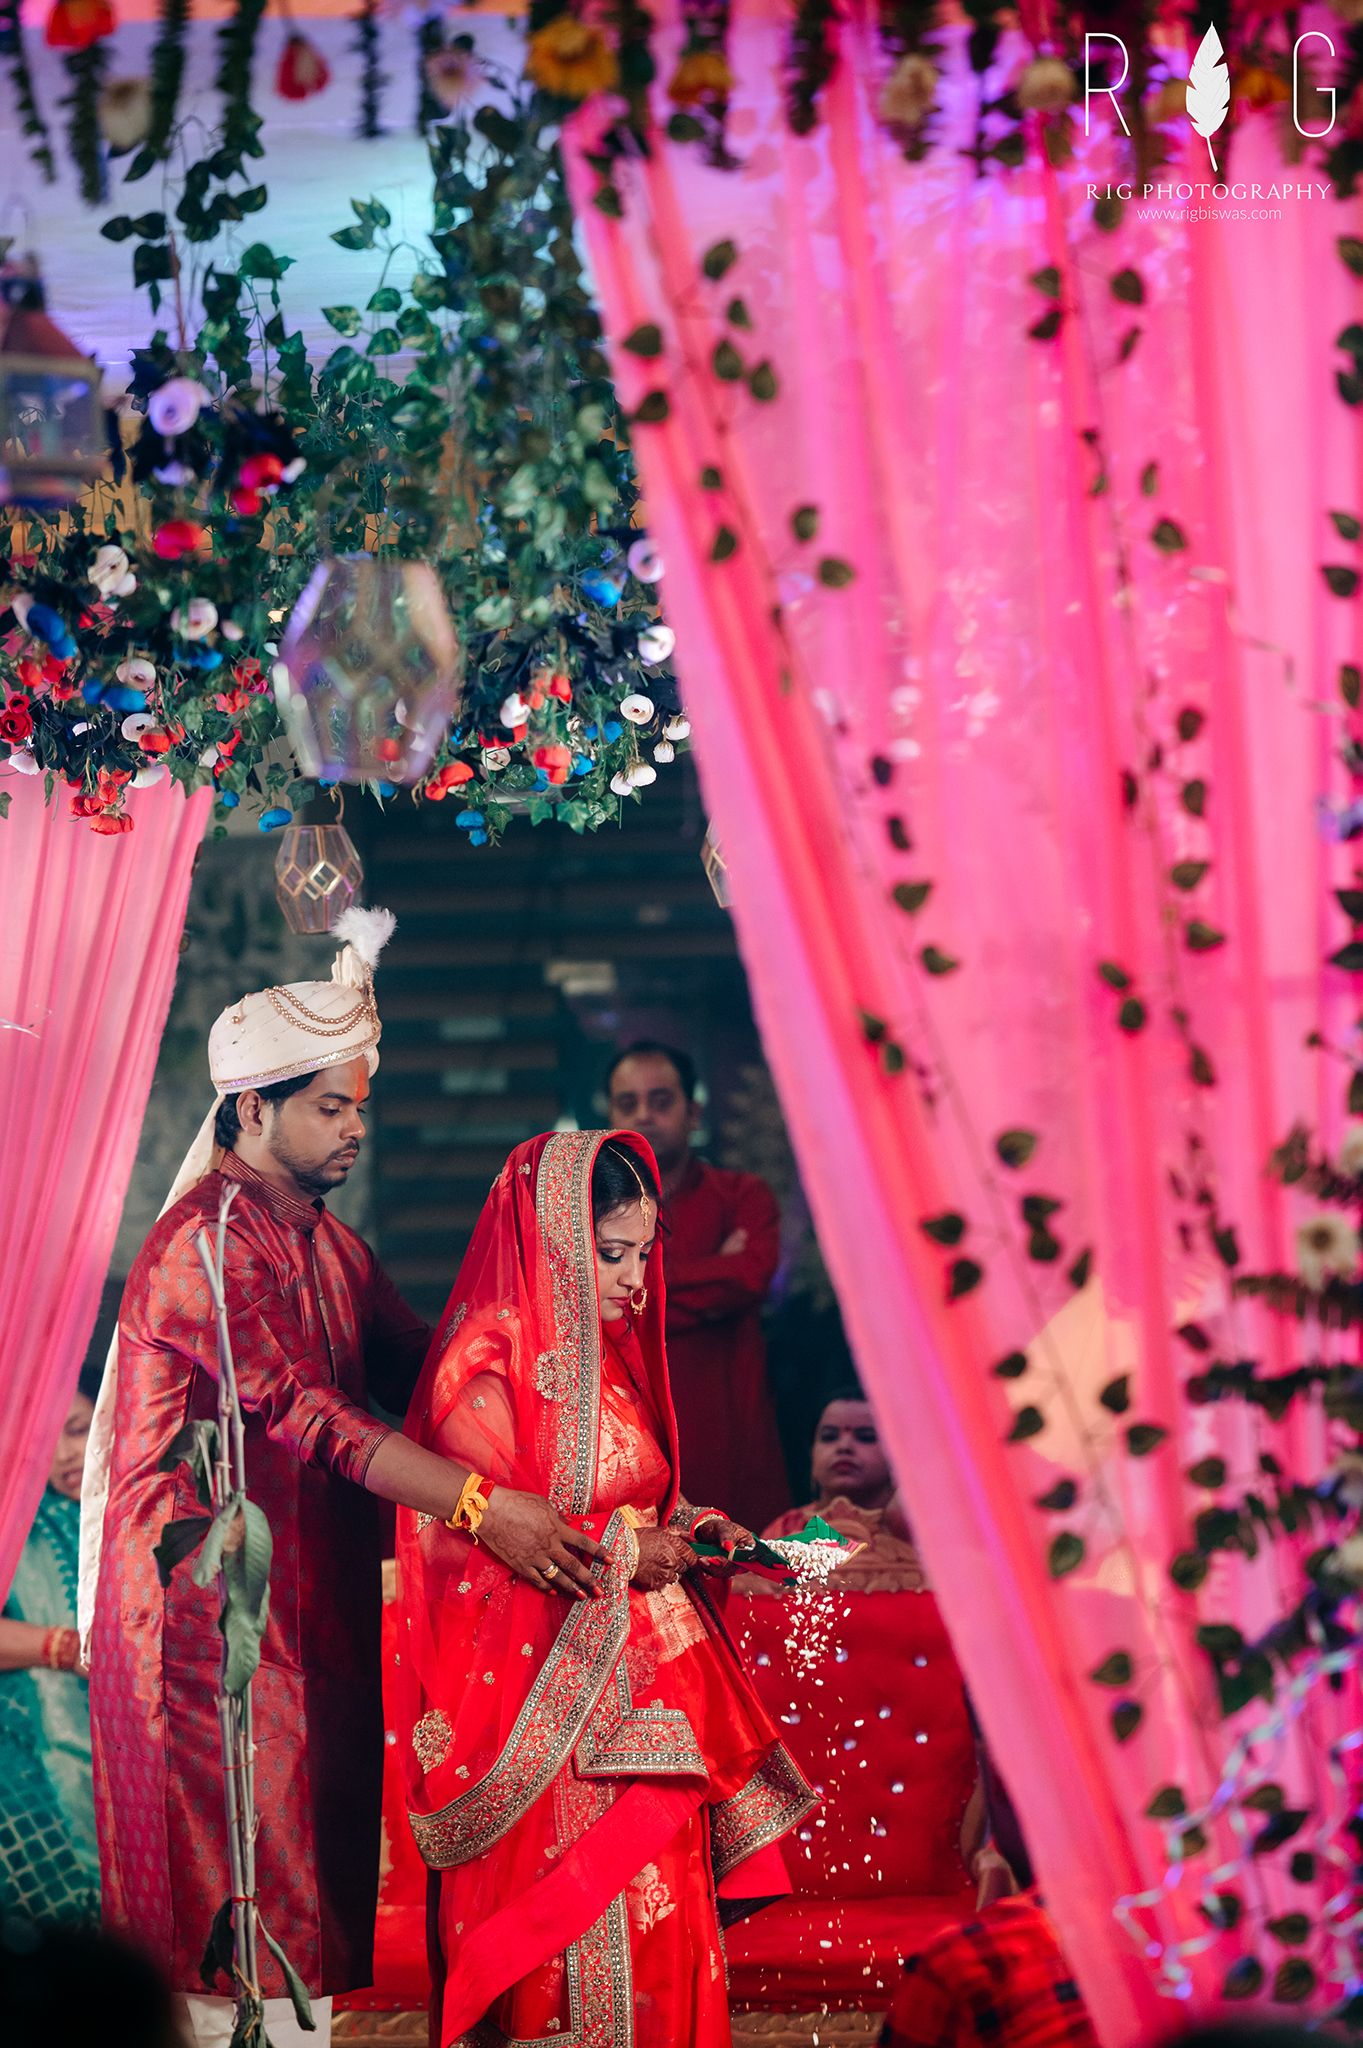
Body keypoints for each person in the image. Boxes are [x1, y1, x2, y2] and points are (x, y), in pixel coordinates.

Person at [81, 911, 612, 2048]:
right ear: (250, 1108)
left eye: (361, 1105)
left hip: (307, 1603)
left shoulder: (327, 1243)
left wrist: (570, 1403)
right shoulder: (207, 1244)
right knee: (231, 1905)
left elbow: (429, 1375)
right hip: (204, 1630)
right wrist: (482, 1508)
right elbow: (306, 1411)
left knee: (304, 1895)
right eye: (332, 1106)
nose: (356, 1127)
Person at [395, 1128, 817, 2048]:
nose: (634, 1280)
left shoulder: (610, 1357)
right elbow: (469, 1554)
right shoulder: (487, 1364)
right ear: (550, 1241)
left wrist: (696, 1528)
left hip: (652, 1713)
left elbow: (631, 1495)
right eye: (611, 1252)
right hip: (551, 1731)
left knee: (666, 1952)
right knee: (574, 1953)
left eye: (644, 1254)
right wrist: (632, 1552)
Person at [606, 1041, 789, 1530]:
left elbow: (750, 1275)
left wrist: (639, 1293)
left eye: (661, 1100)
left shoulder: (742, 1195)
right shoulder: (591, 1211)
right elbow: (583, 1304)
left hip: (730, 1428)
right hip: (632, 1432)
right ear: (610, 1116)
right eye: (627, 1103)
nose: (643, 1115)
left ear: (694, 1112)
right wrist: (714, 1272)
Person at [0, 1366, 101, 1926]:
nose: (63, 1455)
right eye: (44, 1440)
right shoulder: (17, 1525)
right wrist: (66, 1648)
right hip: (36, 1771)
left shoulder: (163, 1508)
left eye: (79, 1429)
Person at [760, 1384, 929, 1592]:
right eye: (829, 1437)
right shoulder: (786, 1528)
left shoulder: (915, 1528)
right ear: (811, 1453)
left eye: (866, 1437)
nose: (844, 1446)